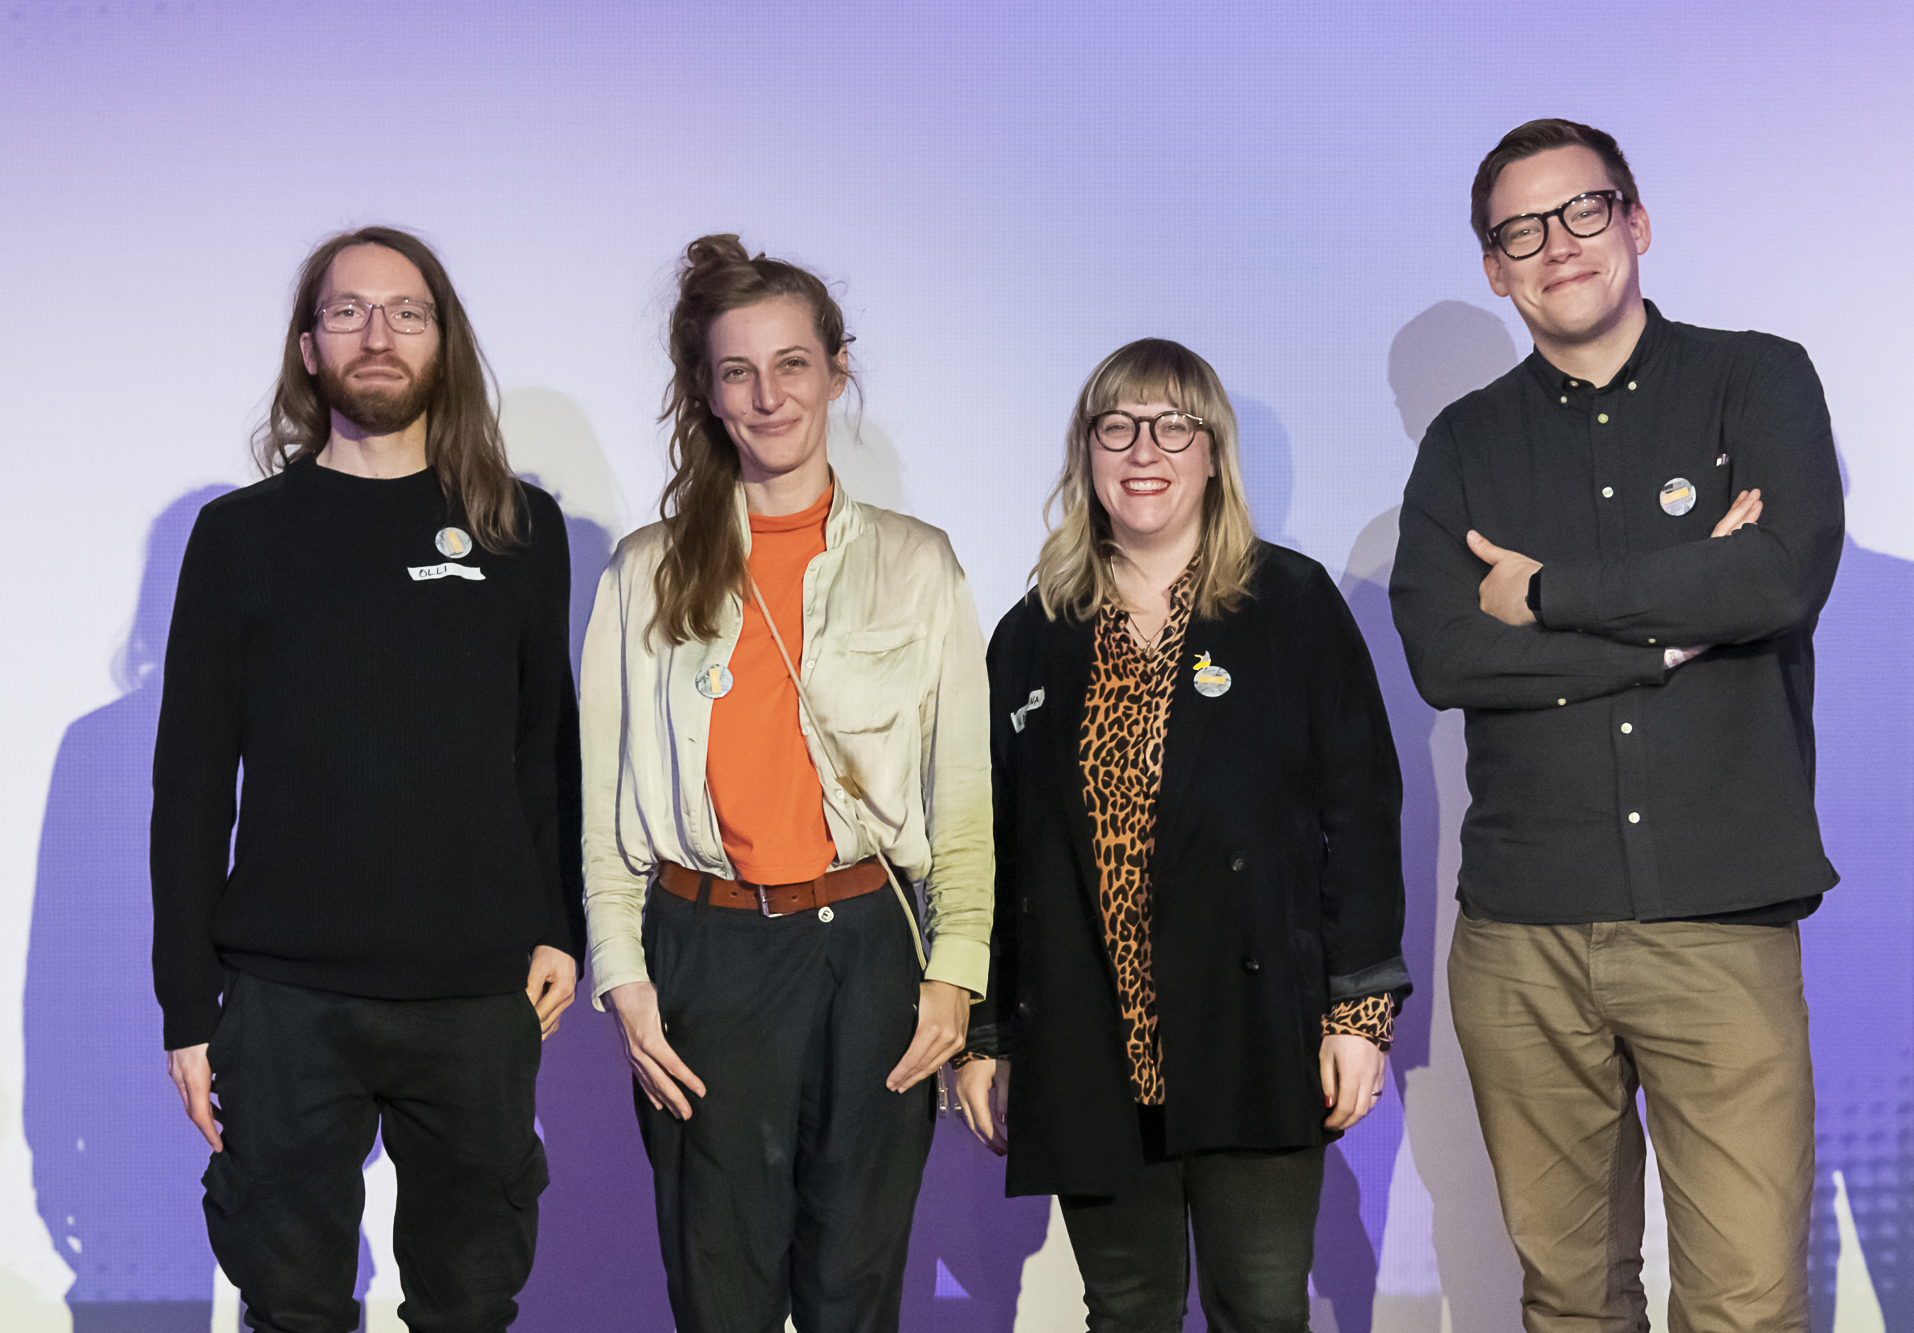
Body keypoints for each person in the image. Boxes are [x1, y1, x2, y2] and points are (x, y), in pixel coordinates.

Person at [1390, 119, 1844, 1331]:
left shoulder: (1755, 380)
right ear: (1492, 267)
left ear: (1634, 223)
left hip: (1716, 918)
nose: (1556, 247)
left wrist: (1545, 596)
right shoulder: (1463, 444)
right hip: (1521, 933)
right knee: (1570, 1300)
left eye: (1583, 211)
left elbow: (1775, 580)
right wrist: (1667, 623)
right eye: (1519, 231)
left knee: (1744, 1303)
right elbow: (1443, 654)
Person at [152, 225, 581, 1333]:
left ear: (445, 342)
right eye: (347, 311)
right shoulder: (239, 537)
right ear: (307, 347)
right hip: (286, 998)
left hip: (476, 991)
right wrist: (186, 1007)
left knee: (469, 1301)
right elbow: (192, 785)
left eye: (406, 311)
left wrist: (561, 926)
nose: (377, 334)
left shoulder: (517, 527)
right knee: (289, 1303)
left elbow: (547, 745)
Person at [580, 234, 992, 1332]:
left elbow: (962, 804)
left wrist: (954, 974)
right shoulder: (642, 572)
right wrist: (622, 976)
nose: (768, 397)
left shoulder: (919, 562)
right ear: (706, 394)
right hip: (703, 953)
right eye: (736, 372)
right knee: (720, 1290)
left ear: (836, 368)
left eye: (791, 364)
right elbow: (603, 813)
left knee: (855, 1288)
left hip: (866, 953)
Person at [957, 338, 1408, 1331]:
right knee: (1123, 1310)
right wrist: (985, 1032)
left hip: (1254, 1032)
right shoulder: (1029, 631)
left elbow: (1360, 818)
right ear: (1085, 453)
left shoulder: (1289, 604)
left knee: (1259, 1307)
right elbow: (987, 850)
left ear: (1212, 454)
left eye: (1172, 424)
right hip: (1084, 1037)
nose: (1142, 448)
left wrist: (1356, 1015)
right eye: (1114, 425)